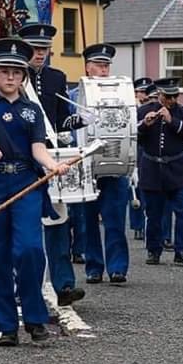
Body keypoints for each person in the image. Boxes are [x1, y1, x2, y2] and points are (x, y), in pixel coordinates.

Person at [0, 37, 70, 346]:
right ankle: (6, 325)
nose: (11, 77)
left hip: (26, 182)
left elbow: (38, 148)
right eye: (5, 71)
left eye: (17, 72)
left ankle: (35, 317)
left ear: (23, 76)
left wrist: (53, 165)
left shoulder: (32, 111)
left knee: (29, 249)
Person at [17, 22, 85, 307]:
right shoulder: (15, 77)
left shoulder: (57, 77)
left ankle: (64, 285)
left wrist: (83, 119)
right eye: (35, 48)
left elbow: (62, 118)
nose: (41, 53)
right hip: (23, 157)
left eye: (45, 48)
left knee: (58, 222)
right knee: (25, 228)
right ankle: (22, 287)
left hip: (53, 156)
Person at [75, 43, 133, 284]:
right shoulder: (74, 96)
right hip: (87, 168)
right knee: (87, 222)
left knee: (115, 221)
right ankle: (93, 267)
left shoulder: (122, 95)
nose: (104, 70)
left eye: (106, 65)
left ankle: (117, 268)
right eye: (99, 65)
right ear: (88, 68)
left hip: (115, 165)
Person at [139, 77, 183, 266]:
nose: (172, 100)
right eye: (168, 96)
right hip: (152, 168)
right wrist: (144, 125)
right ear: (159, 95)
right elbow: (134, 135)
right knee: (154, 213)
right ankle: (153, 249)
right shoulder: (143, 111)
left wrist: (172, 121)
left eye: (175, 96)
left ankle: (181, 250)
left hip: (177, 168)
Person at [129, 77, 154, 241]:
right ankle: (137, 226)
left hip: (147, 153)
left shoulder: (151, 109)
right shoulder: (132, 109)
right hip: (135, 154)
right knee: (135, 193)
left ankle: (146, 225)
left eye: (146, 92)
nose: (143, 96)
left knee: (148, 193)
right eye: (141, 92)